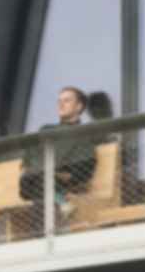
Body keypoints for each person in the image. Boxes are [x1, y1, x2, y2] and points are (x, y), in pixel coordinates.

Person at [19, 84, 102, 219]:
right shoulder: (46, 129)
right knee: (38, 180)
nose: (61, 104)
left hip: (59, 182)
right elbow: (29, 157)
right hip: (35, 180)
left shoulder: (83, 134)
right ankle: (61, 203)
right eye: (59, 101)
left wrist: (61, 174)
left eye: (67, 100)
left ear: (79, 107)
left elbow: (85, 166)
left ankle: (44, 231)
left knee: (41, 192)